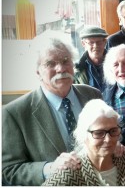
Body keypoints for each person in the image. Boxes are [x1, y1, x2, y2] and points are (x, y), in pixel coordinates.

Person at [2, 37, 103, 185]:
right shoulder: (14, 113)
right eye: (50, 63)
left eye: (65, 61)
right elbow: (8, 171)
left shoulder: (93, 95)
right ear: (37, 71)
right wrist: (49, 168)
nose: (61, 69)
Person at [42, 99, 125, 186]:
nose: (108, 139)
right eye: (99, 133)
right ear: (83, 136)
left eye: (113, 131)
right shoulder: (69, 171)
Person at [73, 26, 109, 93]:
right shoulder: (77, 69)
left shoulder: (116, 63)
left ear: (105, 42)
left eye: (99, 42)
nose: (95, 46)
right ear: (83, 44)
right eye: (91, 42)